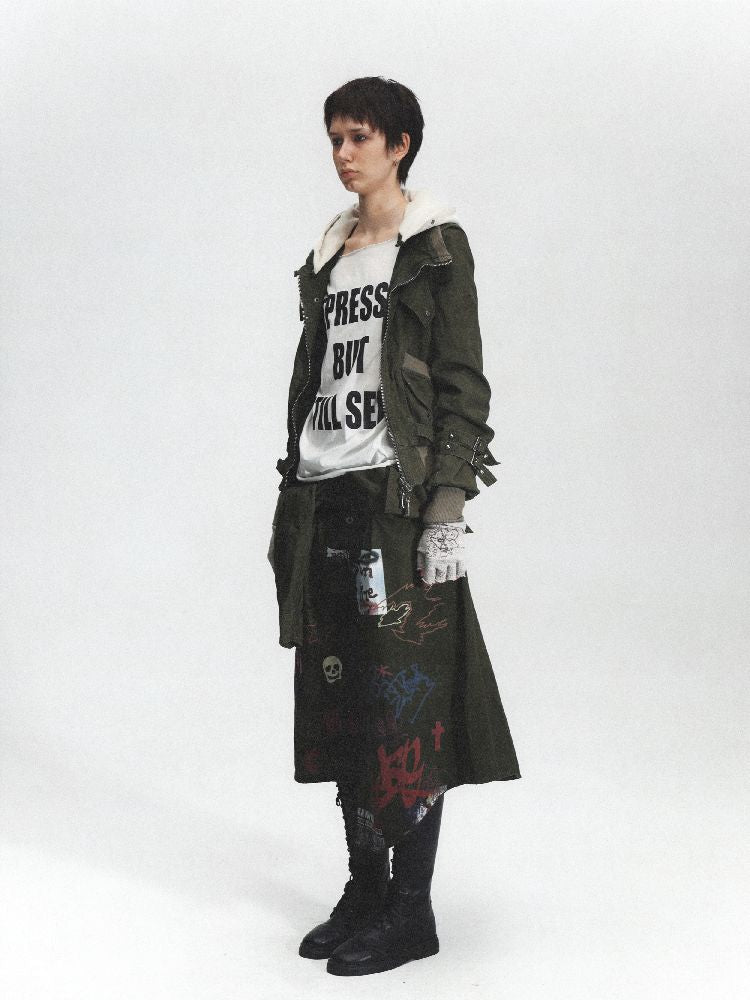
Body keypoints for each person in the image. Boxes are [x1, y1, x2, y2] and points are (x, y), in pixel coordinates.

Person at [268, 76, 521, 977]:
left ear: (400, 144)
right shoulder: (329, 255)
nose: (343, 153)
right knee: (341, 700)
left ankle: (412, 909)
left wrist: (447, 507)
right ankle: (365, 890)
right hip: (323, 496)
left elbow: (464, 384)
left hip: (397, 505)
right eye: (334, 137)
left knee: (404, 705)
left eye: (360, 137)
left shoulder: (435, 248)